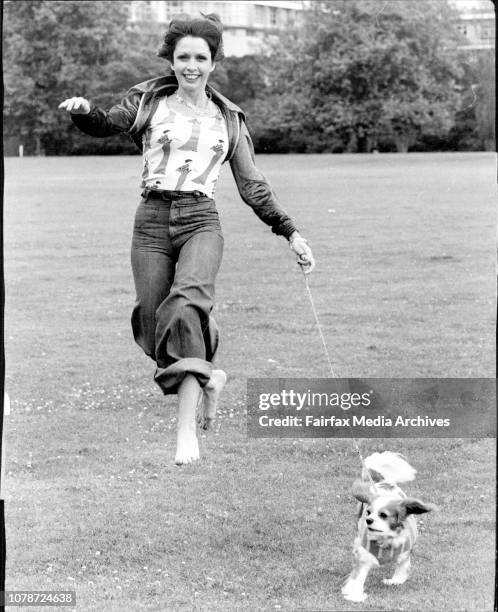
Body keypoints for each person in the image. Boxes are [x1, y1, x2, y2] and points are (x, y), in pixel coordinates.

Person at [59, 13, 315, 465]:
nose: (191, 65)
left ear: (213, 63)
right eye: (183, 57)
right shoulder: (149, 102)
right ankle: (211, 376)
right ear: (172, 61)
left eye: (201, 57)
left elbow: (252, 185)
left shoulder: (229, 119)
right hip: (152, 221)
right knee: (155, 325)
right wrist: (84, 114)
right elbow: (107, 123)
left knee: (184, 307)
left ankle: (185, 437)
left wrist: (289, 231)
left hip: (201, 220)